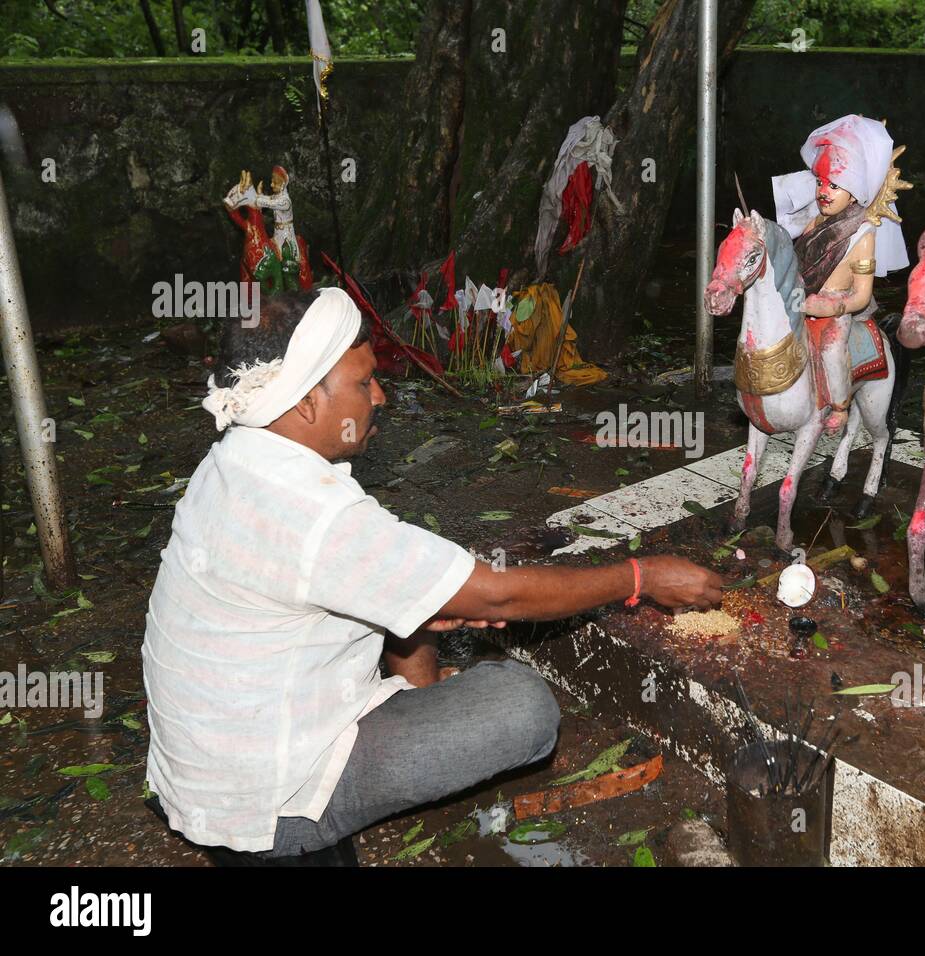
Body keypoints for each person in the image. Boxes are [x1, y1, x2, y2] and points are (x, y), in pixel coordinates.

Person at [141, 287, 721, 865]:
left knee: (420, 595)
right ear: (304, 402)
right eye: (364, 382)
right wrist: (640, 575)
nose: (381, 396)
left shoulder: (236, 461)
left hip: (207, 770)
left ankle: (396, 717)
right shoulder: (319, 517)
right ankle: (313, 825)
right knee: (523, 706)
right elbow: (501, 594)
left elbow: (392, 587)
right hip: (266, 804)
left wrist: (425, 657)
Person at [771, 114, 910, 433]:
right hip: (801, 304)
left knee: (833, 348)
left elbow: (861, 296)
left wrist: (831, 306)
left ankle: (840, 407)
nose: (824, 191)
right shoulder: (813, 223)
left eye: (835, 185)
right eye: (820, 182)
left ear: (856, 191)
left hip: (835, 312)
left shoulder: (863, 234)